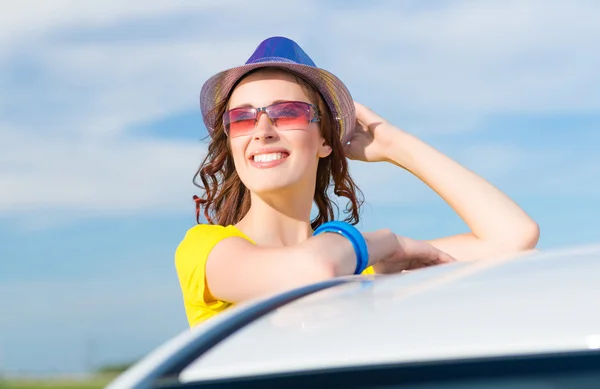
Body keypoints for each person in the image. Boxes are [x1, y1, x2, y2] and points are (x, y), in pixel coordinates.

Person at [175, 36, 539, 328]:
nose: (263, 131)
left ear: (324, 141)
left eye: (288, 113)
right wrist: (386, 242)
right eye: (242, 119)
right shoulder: (206, 250)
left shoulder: (354, 262)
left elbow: (513, 237)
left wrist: (395, 144)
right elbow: (312, 271)